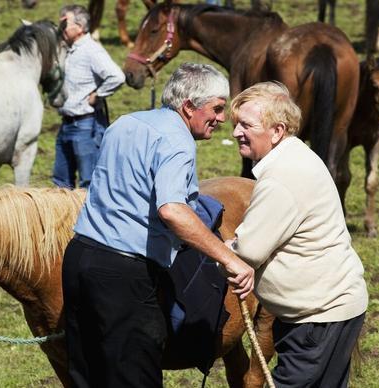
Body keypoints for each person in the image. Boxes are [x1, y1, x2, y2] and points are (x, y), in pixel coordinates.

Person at [62, 62, 255, 387]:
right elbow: (172, 210)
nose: (222, 119)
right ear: (189, 106)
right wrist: (229, 258)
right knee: (136, 376)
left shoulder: (126, 122)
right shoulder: (177, 142)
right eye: (217, 108)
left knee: (90, 375)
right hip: (123, 274)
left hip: (79, 258)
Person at [229, 81, 368, 387]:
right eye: (236, 123)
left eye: (246, 125)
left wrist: (215, 246)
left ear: (277, 131)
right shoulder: (296, 156)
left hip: (318, 318)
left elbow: (247, 251)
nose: (237, 132)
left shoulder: (281, 178)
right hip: (330, 309)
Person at [53, 4, 125, 189]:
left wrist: (98, 95)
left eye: (65, 23)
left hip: (86, 125)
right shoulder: (68, 48)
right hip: (67, 123)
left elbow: (116, 76)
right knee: (61, 182)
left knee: (89, 183)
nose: (60, 27)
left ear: (79, 27)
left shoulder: (91, 49)